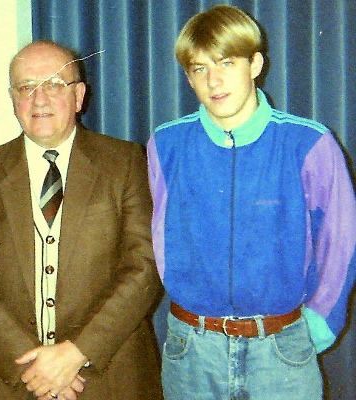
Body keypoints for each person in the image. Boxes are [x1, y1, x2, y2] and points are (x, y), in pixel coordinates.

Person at [147, 5, 356, 400]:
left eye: (226, 63)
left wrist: (314, 328)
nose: (214, 80)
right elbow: (159, 235)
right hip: (191, 353)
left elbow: (340, 244)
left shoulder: (308, 143)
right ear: (188, 78)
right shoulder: (167, 144)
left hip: (281, 350)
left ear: (255, 64)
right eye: (199, 68)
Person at [0, 40, 163, 400]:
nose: (39, 99)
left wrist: (77, 353)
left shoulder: (124, 162)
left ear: (78, 96)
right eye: (26, 87)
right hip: (9, 380)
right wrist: (34, 368)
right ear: (13, 99)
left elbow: (145, 267)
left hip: (108, 378)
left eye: (55, 85)